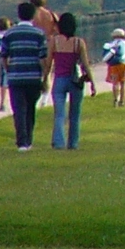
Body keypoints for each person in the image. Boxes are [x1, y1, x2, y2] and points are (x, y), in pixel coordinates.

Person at [0, 1, 49, 151]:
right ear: (33, 15)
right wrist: (44, 77)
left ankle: (21, 142)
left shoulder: (9, 34)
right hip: (33, 77)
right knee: (30, 109)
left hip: (15, 76)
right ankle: (29, 139)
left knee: (19, 110)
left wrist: (9, 70)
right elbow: (42, 58)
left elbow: (4, 56)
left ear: (18, 15)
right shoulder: (39, 34)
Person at [49, 12, 92, 150]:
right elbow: (85, 64)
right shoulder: (79, 42)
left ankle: (58, 142)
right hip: (75, 80)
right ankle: (73, 143)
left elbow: (49, 62)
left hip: (60, 78)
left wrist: (44, 78)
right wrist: (92, 82)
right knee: (75, 114)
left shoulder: (54, 41)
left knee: (59, 114)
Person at [103, 28, 125, 107]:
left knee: (115, 83)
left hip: (113, 66)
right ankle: (122, 101)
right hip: (123, 65)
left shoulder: (110, 44)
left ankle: (115, 99)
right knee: (123, 83)